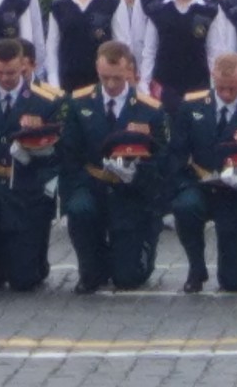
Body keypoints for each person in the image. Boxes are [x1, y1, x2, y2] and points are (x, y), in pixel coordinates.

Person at [59, 40, 170, 293]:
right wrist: (71, 197)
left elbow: (162, 158)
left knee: (128, 279)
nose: (110, 85)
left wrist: (137, 175)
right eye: (105, 77)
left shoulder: (150, 110)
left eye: (117, 78)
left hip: (131, 193)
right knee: (80, 211)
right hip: (93, 183)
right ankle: (90, 266)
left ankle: (141, 249)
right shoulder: (79, 104)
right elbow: (70, 155)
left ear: (129, 72)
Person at [0, 37, 65, 293]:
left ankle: (34, 260)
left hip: (25, 185)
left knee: (24, 280)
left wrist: (37, 154)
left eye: (12, 72)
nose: (5, 78)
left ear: (25, 66)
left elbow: (58, 152)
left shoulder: (47, 101)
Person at [171, 53, 237, 293]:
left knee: (236, 282)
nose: (226, 94)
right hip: (201, 183)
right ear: (212, 76)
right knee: (185, 207)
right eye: (221, 88)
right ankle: (196, 267)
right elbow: (176, 152)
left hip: (236, 193)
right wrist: (181, 185)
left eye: (232, 88)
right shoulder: (191, 106)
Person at [135, 0, 230, 110]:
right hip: (165, 83)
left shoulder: (210, 8)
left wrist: (216, 87)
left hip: (199, 82)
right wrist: (144, 83)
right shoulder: (157, 9)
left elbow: (215, 51)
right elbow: (149, 50)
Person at [43, 0, 131, 93]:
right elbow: (52, 46)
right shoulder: (59, 5)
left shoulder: (113, 1)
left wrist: (122, 77)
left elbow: (122, 43)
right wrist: (53, 81)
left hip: (103, 81)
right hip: (68, 79)